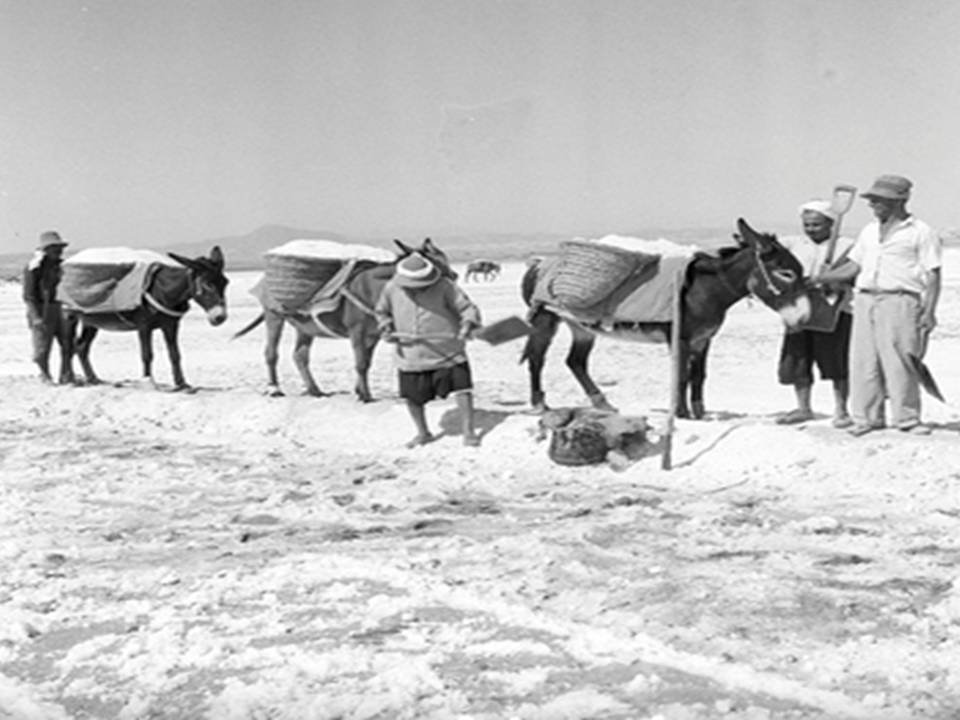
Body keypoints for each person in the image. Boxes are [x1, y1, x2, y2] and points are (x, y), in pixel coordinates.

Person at [816, 175, 942, 436]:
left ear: (899, 201)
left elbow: (933, 274)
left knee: (900, 361)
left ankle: (907, 418)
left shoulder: (921, 232)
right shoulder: (868, 231)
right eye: (872, 200)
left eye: (879, 200)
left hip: (900, 300)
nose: (872, 204)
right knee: (863, 361)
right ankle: (867, 418)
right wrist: (823, 276)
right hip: (863, 300)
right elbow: (854, 266)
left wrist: (929, 311)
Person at [375, 252, 483, 448]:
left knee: (462, 390)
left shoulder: (445, 287)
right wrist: (386, 327)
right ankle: (423, 432)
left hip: (448, 351)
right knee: (412, 397)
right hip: (410, 354)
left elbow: (467, 308)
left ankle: (469, 432)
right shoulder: (391, 288)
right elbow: (382, 312)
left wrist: (467, 324)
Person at [775, 200, 856, 427]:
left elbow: (857, 273)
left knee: (836, 362)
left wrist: (834, 276)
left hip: (834, 310)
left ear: (830, 224)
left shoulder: (848, 245)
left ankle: (841, 410)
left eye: (816, 225)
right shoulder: (791, 244)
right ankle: (803, 408)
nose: (810, 229)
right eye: (807, 224)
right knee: (798, 360)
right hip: (798, 309)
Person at [22, 230, 70, 384]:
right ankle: (45, 374)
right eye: (55, 248)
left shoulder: (62, 266)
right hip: (42, 308)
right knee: (42, 346)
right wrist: (35, 316)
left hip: (60, 307)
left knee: (68, 342)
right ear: (46, 250)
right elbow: (29, 295)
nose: (59, 251)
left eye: (60, 248)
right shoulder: (33, 269)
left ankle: (65, 373)